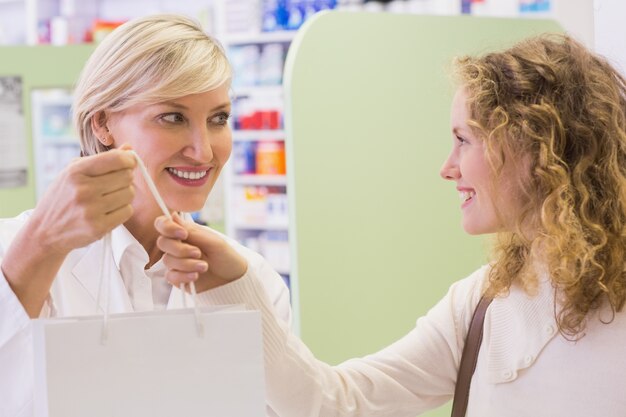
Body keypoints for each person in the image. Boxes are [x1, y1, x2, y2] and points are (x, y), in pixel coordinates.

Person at [155, 34, 626, 416]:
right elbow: (334, 403)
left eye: (464, 140)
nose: (447, 167)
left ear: (536, 149)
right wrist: (237, 288)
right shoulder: (483, 303)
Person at [0, 14, 292, 417]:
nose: (204, 151)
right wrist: (41, 244)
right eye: (172, 117)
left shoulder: (250, 278)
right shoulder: (13, 249)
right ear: (102, 122)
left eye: (218, 118)